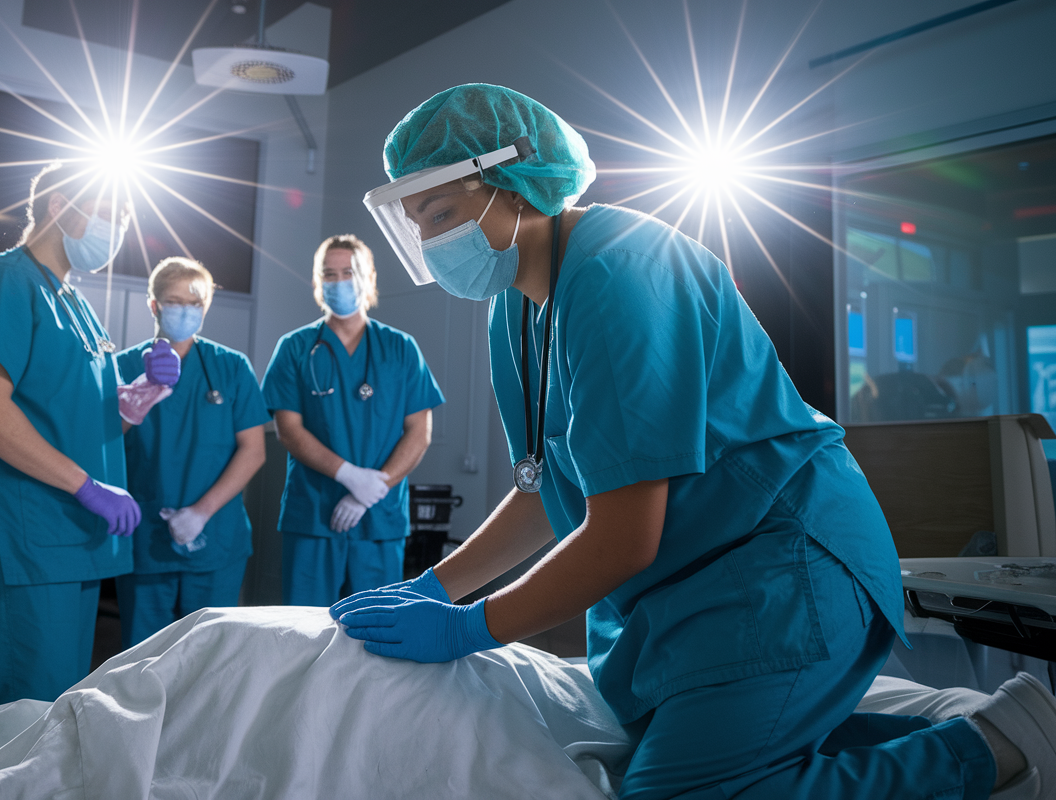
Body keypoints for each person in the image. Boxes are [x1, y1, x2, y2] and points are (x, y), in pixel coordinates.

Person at [331, 84, 1056, 800]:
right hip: (696, 586)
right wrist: (436, 586)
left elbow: (622, 540)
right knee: (669, 757)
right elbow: (543, 486)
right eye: (418, 223)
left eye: (442, 213)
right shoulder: (514, 313)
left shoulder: (622, 271)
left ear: (515, 185)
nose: (430, 243)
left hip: (784, 566)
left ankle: (985, 752)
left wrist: (472, 628)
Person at [0, 160, 180, 706]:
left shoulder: (76, 305)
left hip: (74, 536)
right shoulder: (4, 283)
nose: (115, 231)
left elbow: (93, 420)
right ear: (59, 207)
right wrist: (85, 486)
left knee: (58, 704)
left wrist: (144, 391)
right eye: (108, 213)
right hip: (28, 533)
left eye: (124, 219)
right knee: (26, 704)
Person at [261, 235, 445, 605]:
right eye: (329, 274)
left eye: (349, 272)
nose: (339, 281)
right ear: (317, 282)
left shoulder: (401, 349)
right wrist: (349, 476)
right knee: (305, 634)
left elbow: (419, 432)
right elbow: (289, 430)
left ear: (369, 278)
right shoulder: (295, 348)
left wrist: (371, 491)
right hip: (314, 514)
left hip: (379, 518)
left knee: (374, 637)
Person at [114, 257, 269, 648]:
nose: (185, 310)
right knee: (141, 659)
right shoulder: (123, 366)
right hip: (145, 537)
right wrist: (141, 391)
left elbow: (253, 451)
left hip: (216, 537)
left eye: (194, 303)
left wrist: (201, 512)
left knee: (210, 659)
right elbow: (103, 440)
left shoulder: (231, 367)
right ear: (153, 306)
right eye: (174, 301)